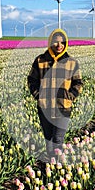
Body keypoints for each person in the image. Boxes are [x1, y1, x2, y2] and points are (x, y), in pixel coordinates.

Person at [28, 28, 83, 162]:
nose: (59, 45)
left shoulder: (71, 62)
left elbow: (78, 82)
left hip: (63, 107)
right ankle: (51, 164)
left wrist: (70, 96)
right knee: (48, 139)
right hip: (45, 107)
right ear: (50, 43)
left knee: (58, 139)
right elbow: (31, 80)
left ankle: (56, 164)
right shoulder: (40, 60)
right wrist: (38, 95)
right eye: (56, 42)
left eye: (62, 42)